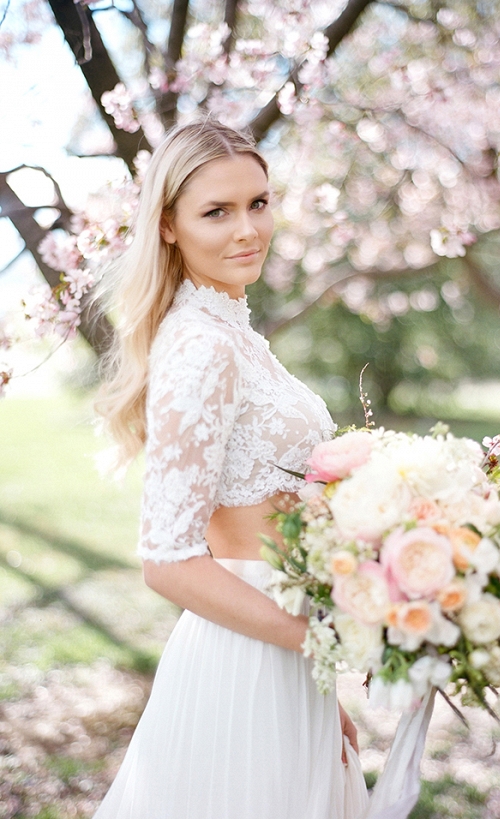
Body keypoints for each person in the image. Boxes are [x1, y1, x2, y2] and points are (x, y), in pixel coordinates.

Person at [92, 119, 370, 819]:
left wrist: (318, 679)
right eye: (217, 211)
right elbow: (168, 561)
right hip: (244, 664)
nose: (248, 229)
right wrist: (316, 640)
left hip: (277, 651)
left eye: (259, 202)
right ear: (168, 226)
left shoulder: (231, 332)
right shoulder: (201, 348)